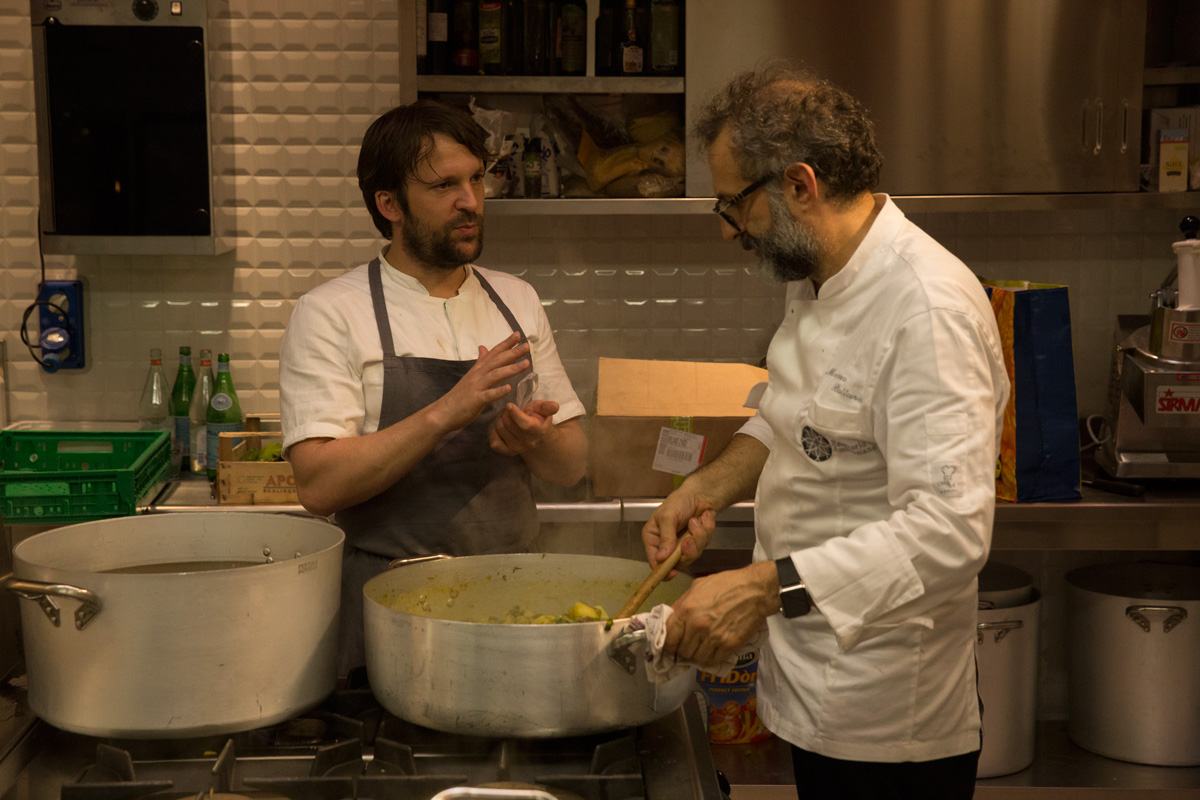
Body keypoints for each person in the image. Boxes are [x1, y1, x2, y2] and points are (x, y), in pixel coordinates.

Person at [641, 62, 1010, 799]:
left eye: (733, 205)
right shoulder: (822, 275)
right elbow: (791, 414)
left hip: (888, 722)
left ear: (800, 186)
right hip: (814, 684)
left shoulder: (925, 309)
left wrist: (764, 588)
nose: (728, 231)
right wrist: (708, 483)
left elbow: (949, 530)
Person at [279, 99, 588, 676]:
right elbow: (318, 487)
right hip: (389, 606)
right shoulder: (330, 313)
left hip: (513, 598)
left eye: (475, 179)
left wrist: (536, 440)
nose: (470, 201)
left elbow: (572, 466)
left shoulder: (516, 301)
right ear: (389, 205)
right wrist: (446, 412)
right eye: (444, 185)